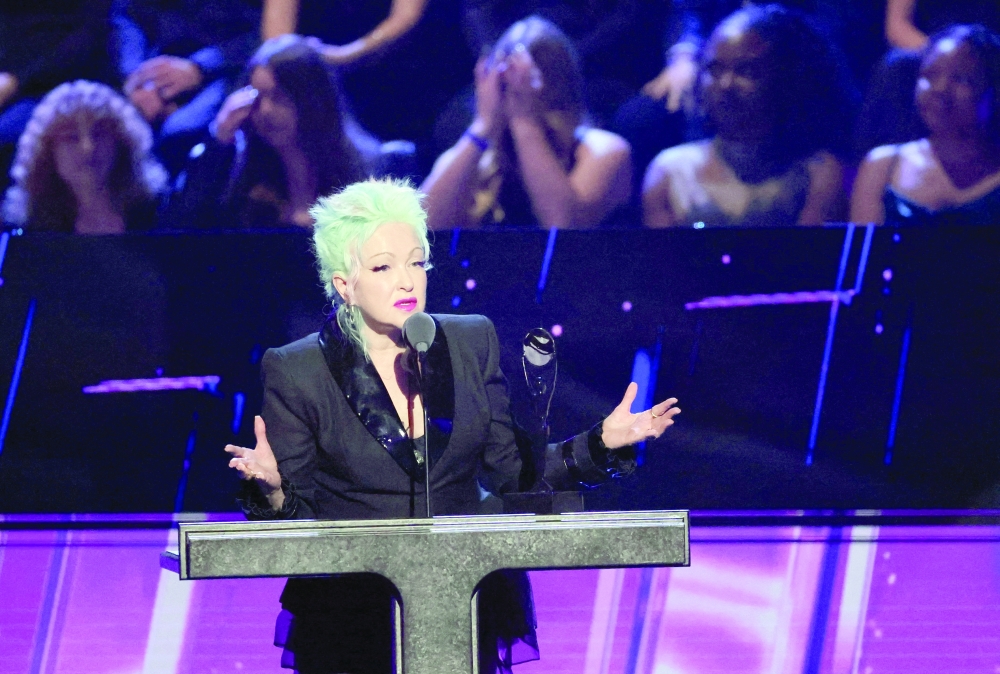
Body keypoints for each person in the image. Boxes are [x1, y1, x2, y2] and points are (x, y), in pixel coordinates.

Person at [224, 177, 681, 674]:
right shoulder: (299, 369)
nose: (407, 281)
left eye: (416, 262)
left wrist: (600, 443)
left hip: (461, 602)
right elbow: (299, 524)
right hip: (354, 616)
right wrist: (271, 490)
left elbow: (511, 475)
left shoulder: (469, 342)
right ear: (344, 284)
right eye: (383, 267)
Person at [642, 4, 849, 228]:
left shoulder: (818, 173)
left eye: (746, 71)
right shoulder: (670, 173)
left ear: (788, 79)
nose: (725, 85)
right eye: (714, 70)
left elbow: (808, 260)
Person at [421, 16, 633, 230]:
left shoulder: (604, 151)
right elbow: (424, 229)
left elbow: (563, 229)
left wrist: (524, 121)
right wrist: (482, 126)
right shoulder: (477, 152)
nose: (516, 88)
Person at [167, 35, 398, 230]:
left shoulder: (375, 171)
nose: (265, 110)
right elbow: (179, 230)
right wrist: (218, 137)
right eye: (257, 97)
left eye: (278, 97)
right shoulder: (242, 181)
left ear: (313, 100)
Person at [851, 25, 1000, 227]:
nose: (940, 90)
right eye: (929, 75)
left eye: (962, 79)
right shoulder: (882, 167)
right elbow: (867, 255)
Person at [112, 0, 262, 175]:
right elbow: (126, 14)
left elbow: (267, 33)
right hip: (153, 66)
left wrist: (200, 67)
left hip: (229, 69)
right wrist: (140, 75)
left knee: (179, 132)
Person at [2, 80, 167, 233]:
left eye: (99, 133)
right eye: (71, 137)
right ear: (46, 151)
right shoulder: (29, 229)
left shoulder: (159, 214)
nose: (88, 148)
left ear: (122, 142)